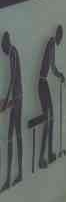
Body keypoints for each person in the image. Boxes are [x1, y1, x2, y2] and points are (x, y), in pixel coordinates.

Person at [37, 26, 65, 169]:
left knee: (51, 119)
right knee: (48, 121)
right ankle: (42, 157)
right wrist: (58, 74)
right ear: (58, 35)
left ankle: (49, 153)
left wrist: (60, 75)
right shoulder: (51, 43)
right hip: (42, 84)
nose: (61, 40)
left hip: (44, 83)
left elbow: (52, 67)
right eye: (61, 37)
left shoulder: (52, 44)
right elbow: (51, 66)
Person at [1, 32, 21, 191]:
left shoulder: (13, 52)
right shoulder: (13, 52)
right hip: (16, 97)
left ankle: (10, 178)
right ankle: (16, 174)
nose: (4, 52)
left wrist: (7, 99)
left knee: (12, 137)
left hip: (17, 98)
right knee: (16, 135)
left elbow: (14, 77)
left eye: (4, 48)